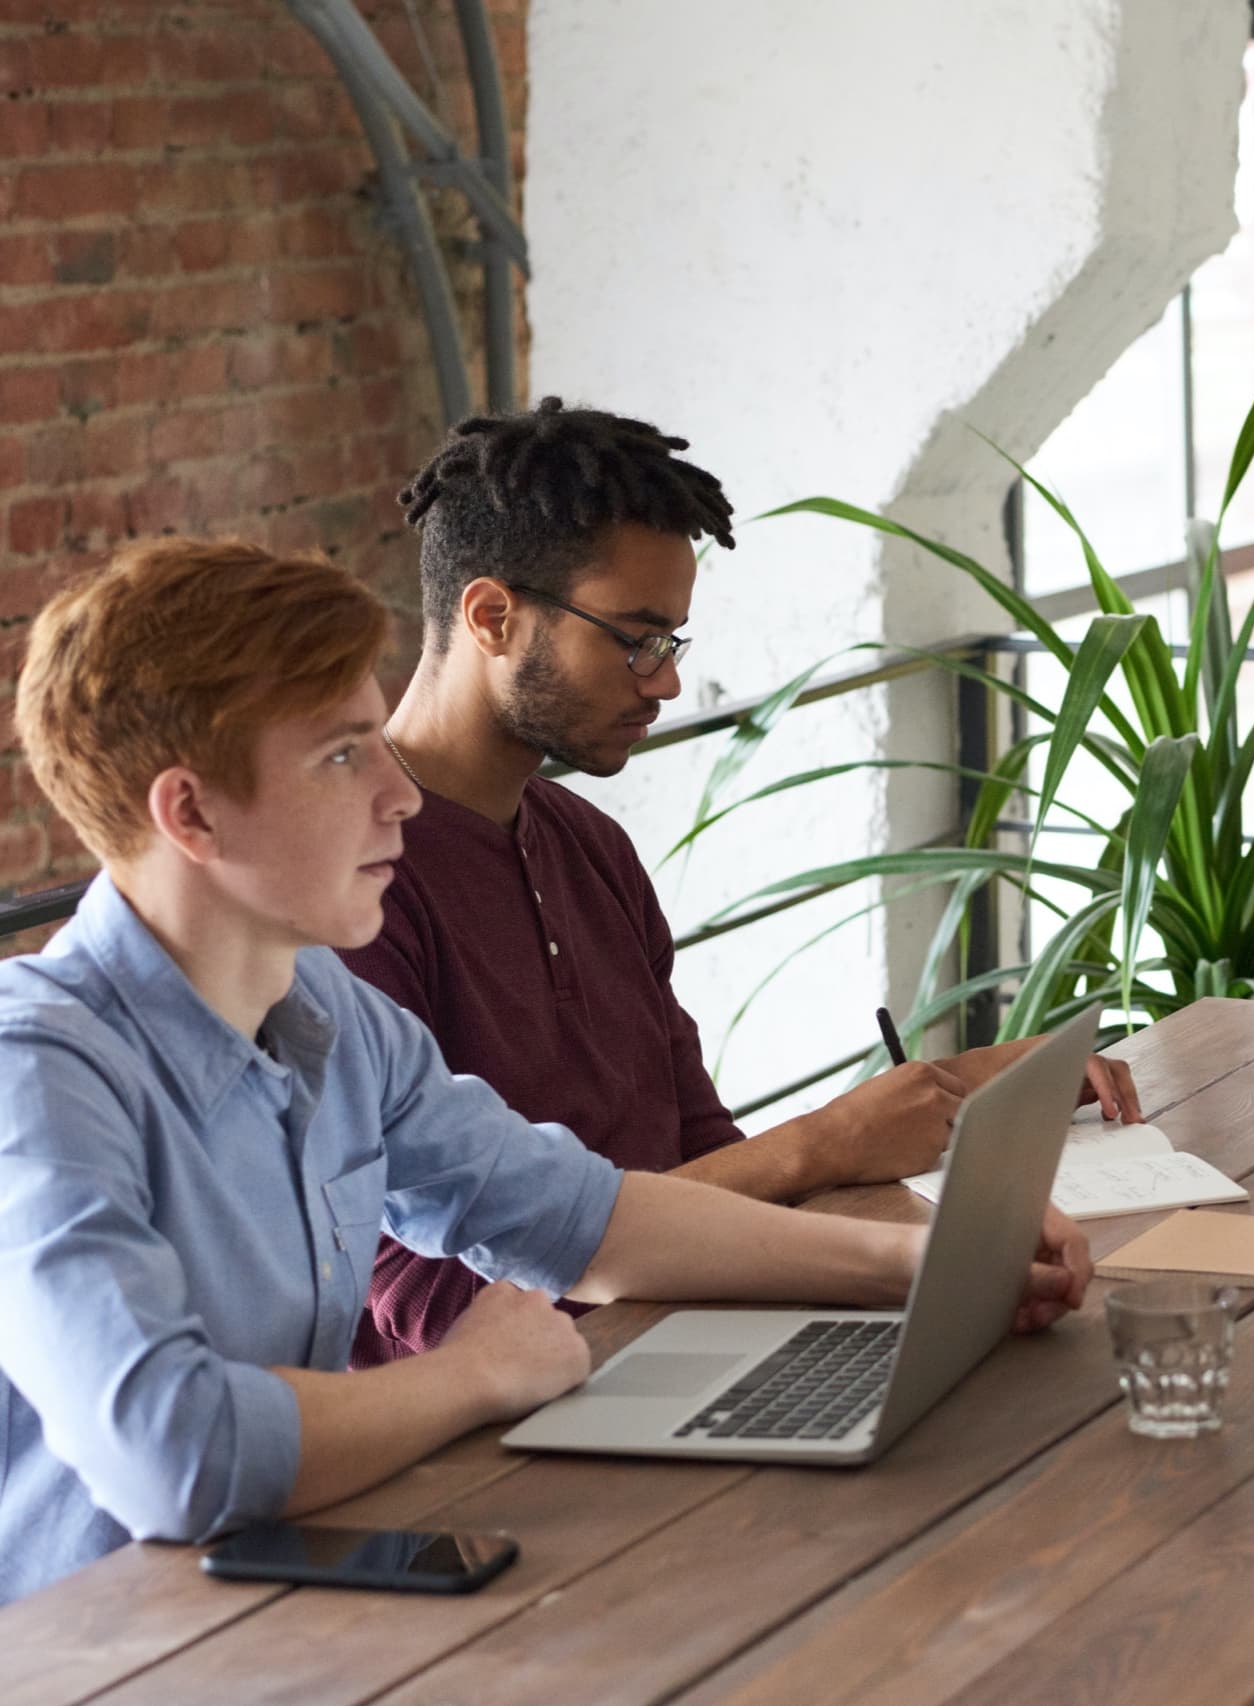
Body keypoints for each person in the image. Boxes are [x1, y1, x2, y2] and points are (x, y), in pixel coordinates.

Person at [0, 539, 1092, 1605]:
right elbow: (171, 1458)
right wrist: (475, 1373)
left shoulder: (326, 1011)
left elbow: (585, 1218)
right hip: (93, 1650)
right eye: (342, 755)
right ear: (189, 813)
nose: (401, 796)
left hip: (278, 1599)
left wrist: (934, 1264)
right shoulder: (37, 1073)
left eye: (380, 741)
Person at [343, 398, 1136, 1364]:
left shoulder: (591, 847)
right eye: (635, 639)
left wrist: (948, 1110)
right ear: (492, 616)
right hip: (503, 1440)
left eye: (671, 642)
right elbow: (431, 1311)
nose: (663, 682)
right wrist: (823, 1145)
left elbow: (700, 1155)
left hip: (691, 1346)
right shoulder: (355, 890)